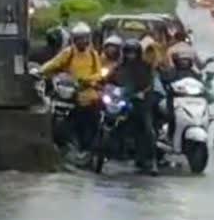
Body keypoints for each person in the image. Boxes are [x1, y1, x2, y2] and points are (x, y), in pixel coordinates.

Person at [41, 22, 103, 149]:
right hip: (69, 88)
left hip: (87, 90)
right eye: (80, 38)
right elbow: (54, 63)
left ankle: (91, 145)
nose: (83, 41)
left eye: (85, 38)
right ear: (74, 39)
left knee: (95, 112)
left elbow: (99, 73)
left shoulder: (93, 54)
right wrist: (40, 71)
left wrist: (87, 79)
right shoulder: (68, 53)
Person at [112, 38, 159, 174]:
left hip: (141, 103)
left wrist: (141, 93)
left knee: (147, 128)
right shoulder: (119, 66)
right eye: (128, 52)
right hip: (123, 101)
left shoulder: (145, 67)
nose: (130, 55)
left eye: (133, 53)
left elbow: (149, 84)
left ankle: (152, 161)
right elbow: (111, 79)